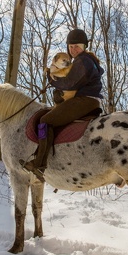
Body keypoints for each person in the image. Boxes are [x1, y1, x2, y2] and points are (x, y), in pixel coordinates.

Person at [22, 28, 104, 181]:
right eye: (70, 46)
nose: (73, 49)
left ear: (84, 46)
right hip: (88, 100)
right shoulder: (84, 61)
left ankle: (39, 163)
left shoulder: (83, 60)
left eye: (77, 46)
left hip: (84, 101)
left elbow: (69, 83)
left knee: (45, 121)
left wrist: (51, 78)